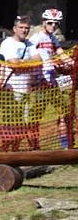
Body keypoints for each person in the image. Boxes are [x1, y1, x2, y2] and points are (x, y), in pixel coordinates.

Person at [0, 15, 43, 150]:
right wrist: (27, 63)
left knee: (22, 123)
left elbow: (39, 60)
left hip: (26, 89)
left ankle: (15, 150)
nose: (24, 30)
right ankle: (6, 151)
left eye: (27, 28)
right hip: (11, 89)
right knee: (10, 121)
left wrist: (22, 62)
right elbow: (13, 63)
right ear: (14, 29)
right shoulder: (8, 43)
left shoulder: (29, 44)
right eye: (21, 27)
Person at [29, 8, 71, 148]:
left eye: (56, 23)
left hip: (53, 83)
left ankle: (65, 145)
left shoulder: (53, 38)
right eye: (50, 23)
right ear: (43, 22)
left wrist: (71, 61)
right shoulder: (35, 38)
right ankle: (35, 146)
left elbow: (61, 53)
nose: (53, 26)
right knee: (36, 117)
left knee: (63, 113)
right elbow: (29, 57)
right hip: (40, 83)